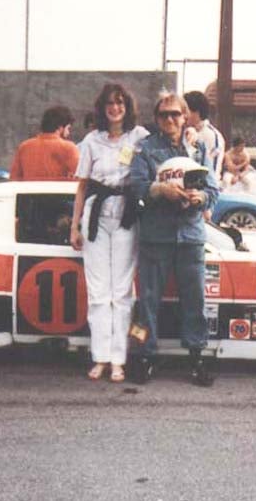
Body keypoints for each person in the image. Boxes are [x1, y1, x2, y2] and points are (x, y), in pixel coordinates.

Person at [128, 92, 219, 387]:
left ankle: (196, 355)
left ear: (185, 116)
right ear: (157, 119)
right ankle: (144, 355)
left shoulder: (199, 148)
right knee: (147, 301)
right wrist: (159, 190)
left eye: (175, 114)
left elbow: (214, 191)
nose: (170, 119)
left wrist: (200, 196)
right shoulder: (144, 149)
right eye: (164, 114)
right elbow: (136, 187)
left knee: (195, 300)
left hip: (190, 235)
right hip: (155, 235)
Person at [70, 84, 149, 383]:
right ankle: (100, 357)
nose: (115, 109)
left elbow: (167, 147)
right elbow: (81, 186)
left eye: (119, 103)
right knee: (99, 291)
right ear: (102, 109)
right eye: (109, 104)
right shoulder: (91, 141)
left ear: (127, 107)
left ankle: (119, 359)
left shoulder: (139, 137)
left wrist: (191, 134)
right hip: (97, 217)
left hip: (127, 216)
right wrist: (75, 225)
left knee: (122, 290)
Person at [9, 105, 79, 180]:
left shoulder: (24, 146)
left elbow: (14, 177)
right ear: (60, 127)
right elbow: (80, 176)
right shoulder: (68, 147)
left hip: (29, 191)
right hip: (57, 191)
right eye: (68, 128)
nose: (68, 132)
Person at [184, 91, 226, 180]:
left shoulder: (211, 136)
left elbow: (212, 172)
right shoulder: (184, 133)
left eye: (186, 111)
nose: (183, 116)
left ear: (197, 112)